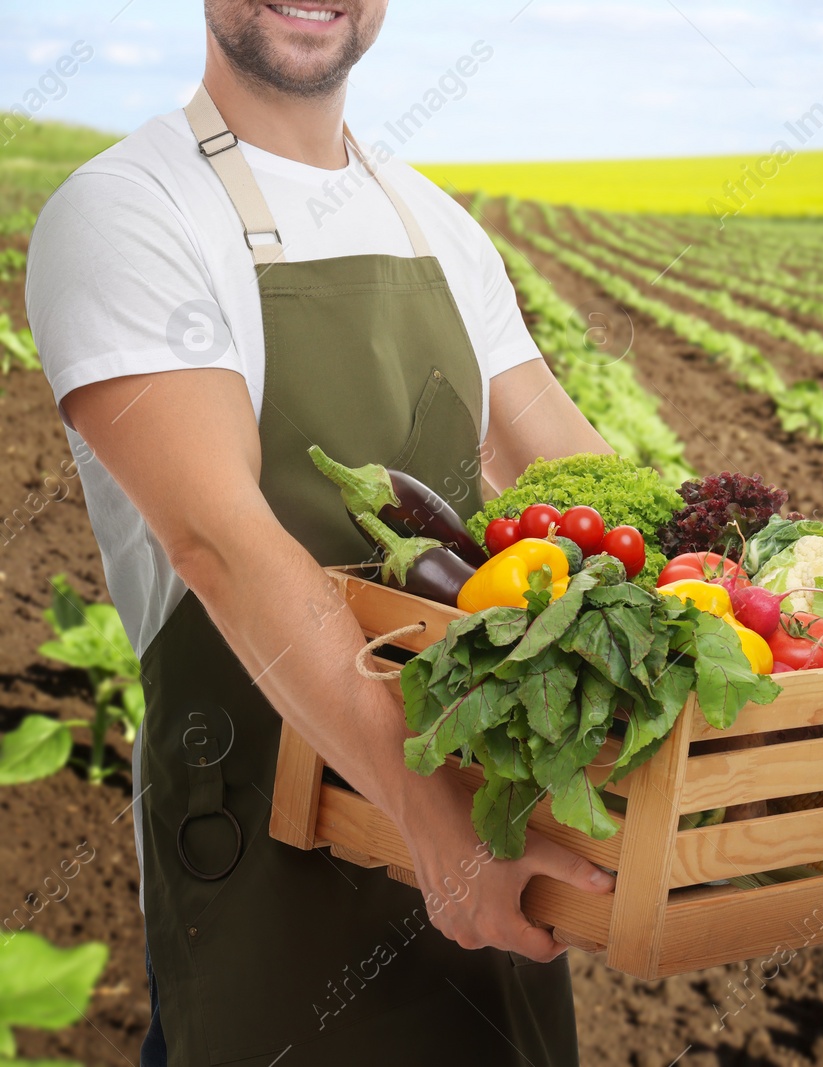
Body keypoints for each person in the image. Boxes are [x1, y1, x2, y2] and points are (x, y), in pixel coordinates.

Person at [26, 2, 617, 1063]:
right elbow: (220, 541)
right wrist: (437, 820)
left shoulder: (434, 223)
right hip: (272, 875)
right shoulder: (127, 210)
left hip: (493, 855)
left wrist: (770, 593)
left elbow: (575, 479)